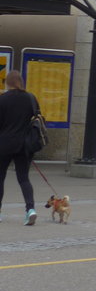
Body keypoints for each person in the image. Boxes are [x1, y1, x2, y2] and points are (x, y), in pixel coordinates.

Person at [0, 72, 39, 225]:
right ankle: (30, 209)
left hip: (4, 144)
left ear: (8, 83)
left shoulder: (2, 99)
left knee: (0, 177)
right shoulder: (30, 98)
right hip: (24, 145)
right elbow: (38, 118)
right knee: (23, 178)